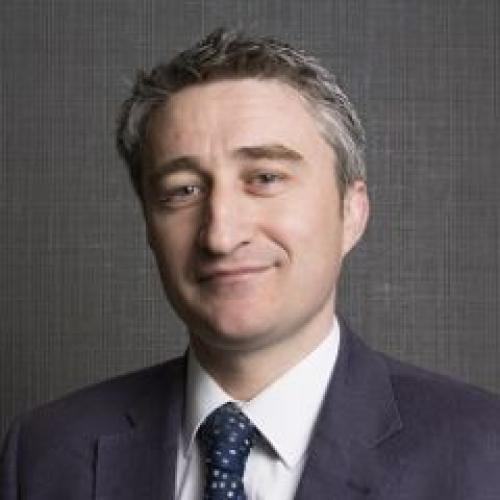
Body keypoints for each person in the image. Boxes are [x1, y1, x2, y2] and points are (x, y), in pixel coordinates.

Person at [1, 27, 500, 500]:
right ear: (149, 226)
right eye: (183, 190)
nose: (221, 235)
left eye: (265, 178)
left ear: (351, 211)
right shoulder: (44, 455)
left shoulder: (483, 453)